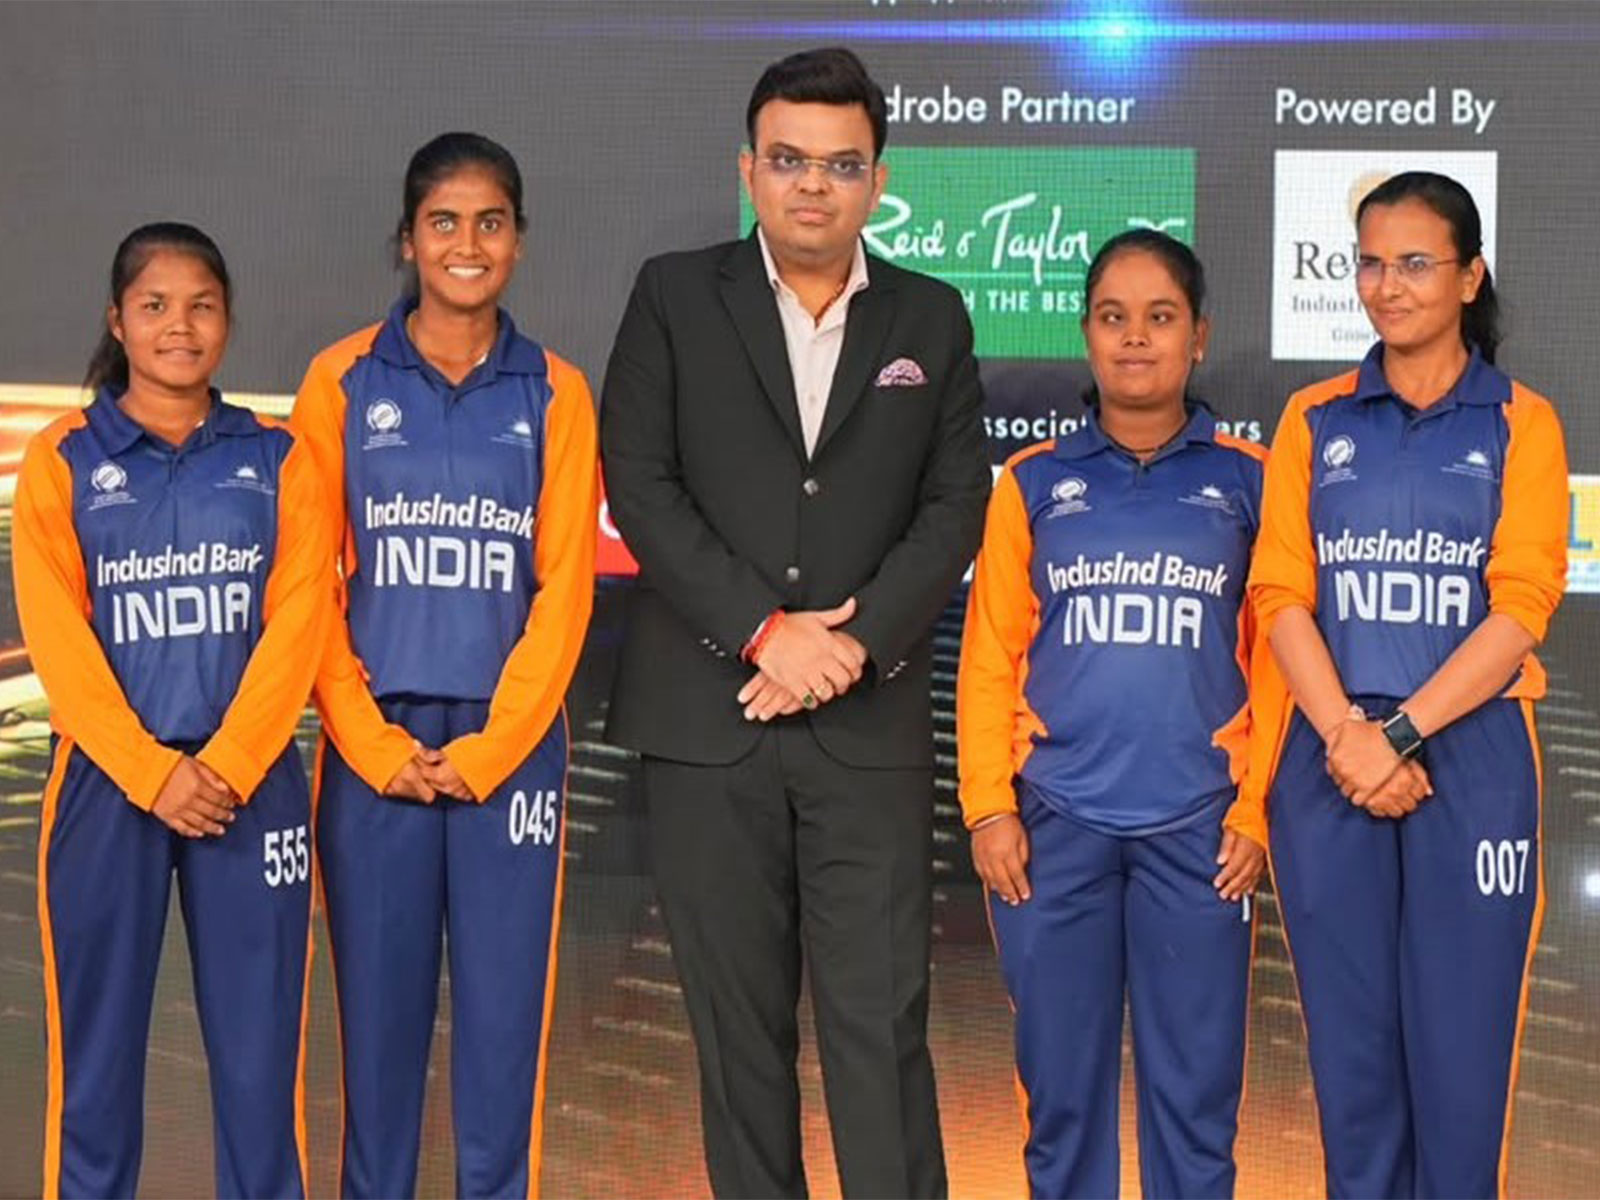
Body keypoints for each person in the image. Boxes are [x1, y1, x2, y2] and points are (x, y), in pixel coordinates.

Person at [600, 46, 990, 1199]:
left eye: (839, 164)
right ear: (748, 169)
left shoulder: (932, 313)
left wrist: (852, 646)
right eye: (787, 161)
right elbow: (641, 485)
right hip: (706, 721)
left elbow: (954, 505)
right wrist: (768, 634)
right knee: (739, 1042)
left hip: (863, 731)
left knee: (880, 1029)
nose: (811, 185)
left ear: (878, 180)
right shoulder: (673, 293)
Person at [1249, 171, 1569, 1199]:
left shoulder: (1523, 421)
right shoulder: (1314, 417)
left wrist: (1402, 733)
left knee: (1463, 1073)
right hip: (1328, 760)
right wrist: (1348, 731)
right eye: (1370, 263)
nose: (1387, 286)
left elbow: (1520, 606)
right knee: (1352, 1073)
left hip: (1468, 762)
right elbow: (1279, 591)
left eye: (1415, 263)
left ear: (1469, 276)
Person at [289, 132, 597, 1199]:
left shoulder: (556, 390)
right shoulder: (338, 379)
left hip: (506, 760)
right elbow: (307, 593)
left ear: (517, 240)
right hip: (373, 756)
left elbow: (564, 593)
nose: (467, 244)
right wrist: (374, 748)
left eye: (490, 222)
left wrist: (492, 749)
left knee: (503, 1042)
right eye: (444, 222)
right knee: (376, 1047)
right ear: (408, 238)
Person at [958, 230, 1278, 1199]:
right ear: (1086, 336)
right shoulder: (1030, 484)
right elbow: (988, 658)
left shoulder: (1250, 481)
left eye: (1159, 317)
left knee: (1196, 1107)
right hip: (1054, 827)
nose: (1134, 339)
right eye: (1111, 317)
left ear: (1198, 337)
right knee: (1060, 1103)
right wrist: (988, 806)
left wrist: (1252, 811)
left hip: (1199, 831)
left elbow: (1276, 667)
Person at [15, 223, 332, 1199]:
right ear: (118, 321)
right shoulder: (63, 463)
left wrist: (227, 766)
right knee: (97, 1072)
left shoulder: (279, 459)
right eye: (154, 306)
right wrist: (154, 775)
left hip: (250, 791)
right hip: (110, 793)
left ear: (228, 323)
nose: (179, 327)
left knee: (257, 1070)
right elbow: (62, 651)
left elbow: (298, 625)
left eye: (201, 306)